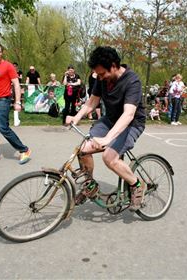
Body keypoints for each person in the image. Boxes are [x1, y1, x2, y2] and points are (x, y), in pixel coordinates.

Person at [65, 46, 147, 211]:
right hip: (109, 120)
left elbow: (129, 114)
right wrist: (77, 116)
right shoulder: (101, 78)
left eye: (102, 74)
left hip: (131, 124)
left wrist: (108, 138)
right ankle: (89, 187)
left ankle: (137, 185)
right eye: (97, 74)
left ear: (114, 65)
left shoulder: (132, 81)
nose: (99, 78)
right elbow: (92, 102)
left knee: (109, 158)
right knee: (83, 150)